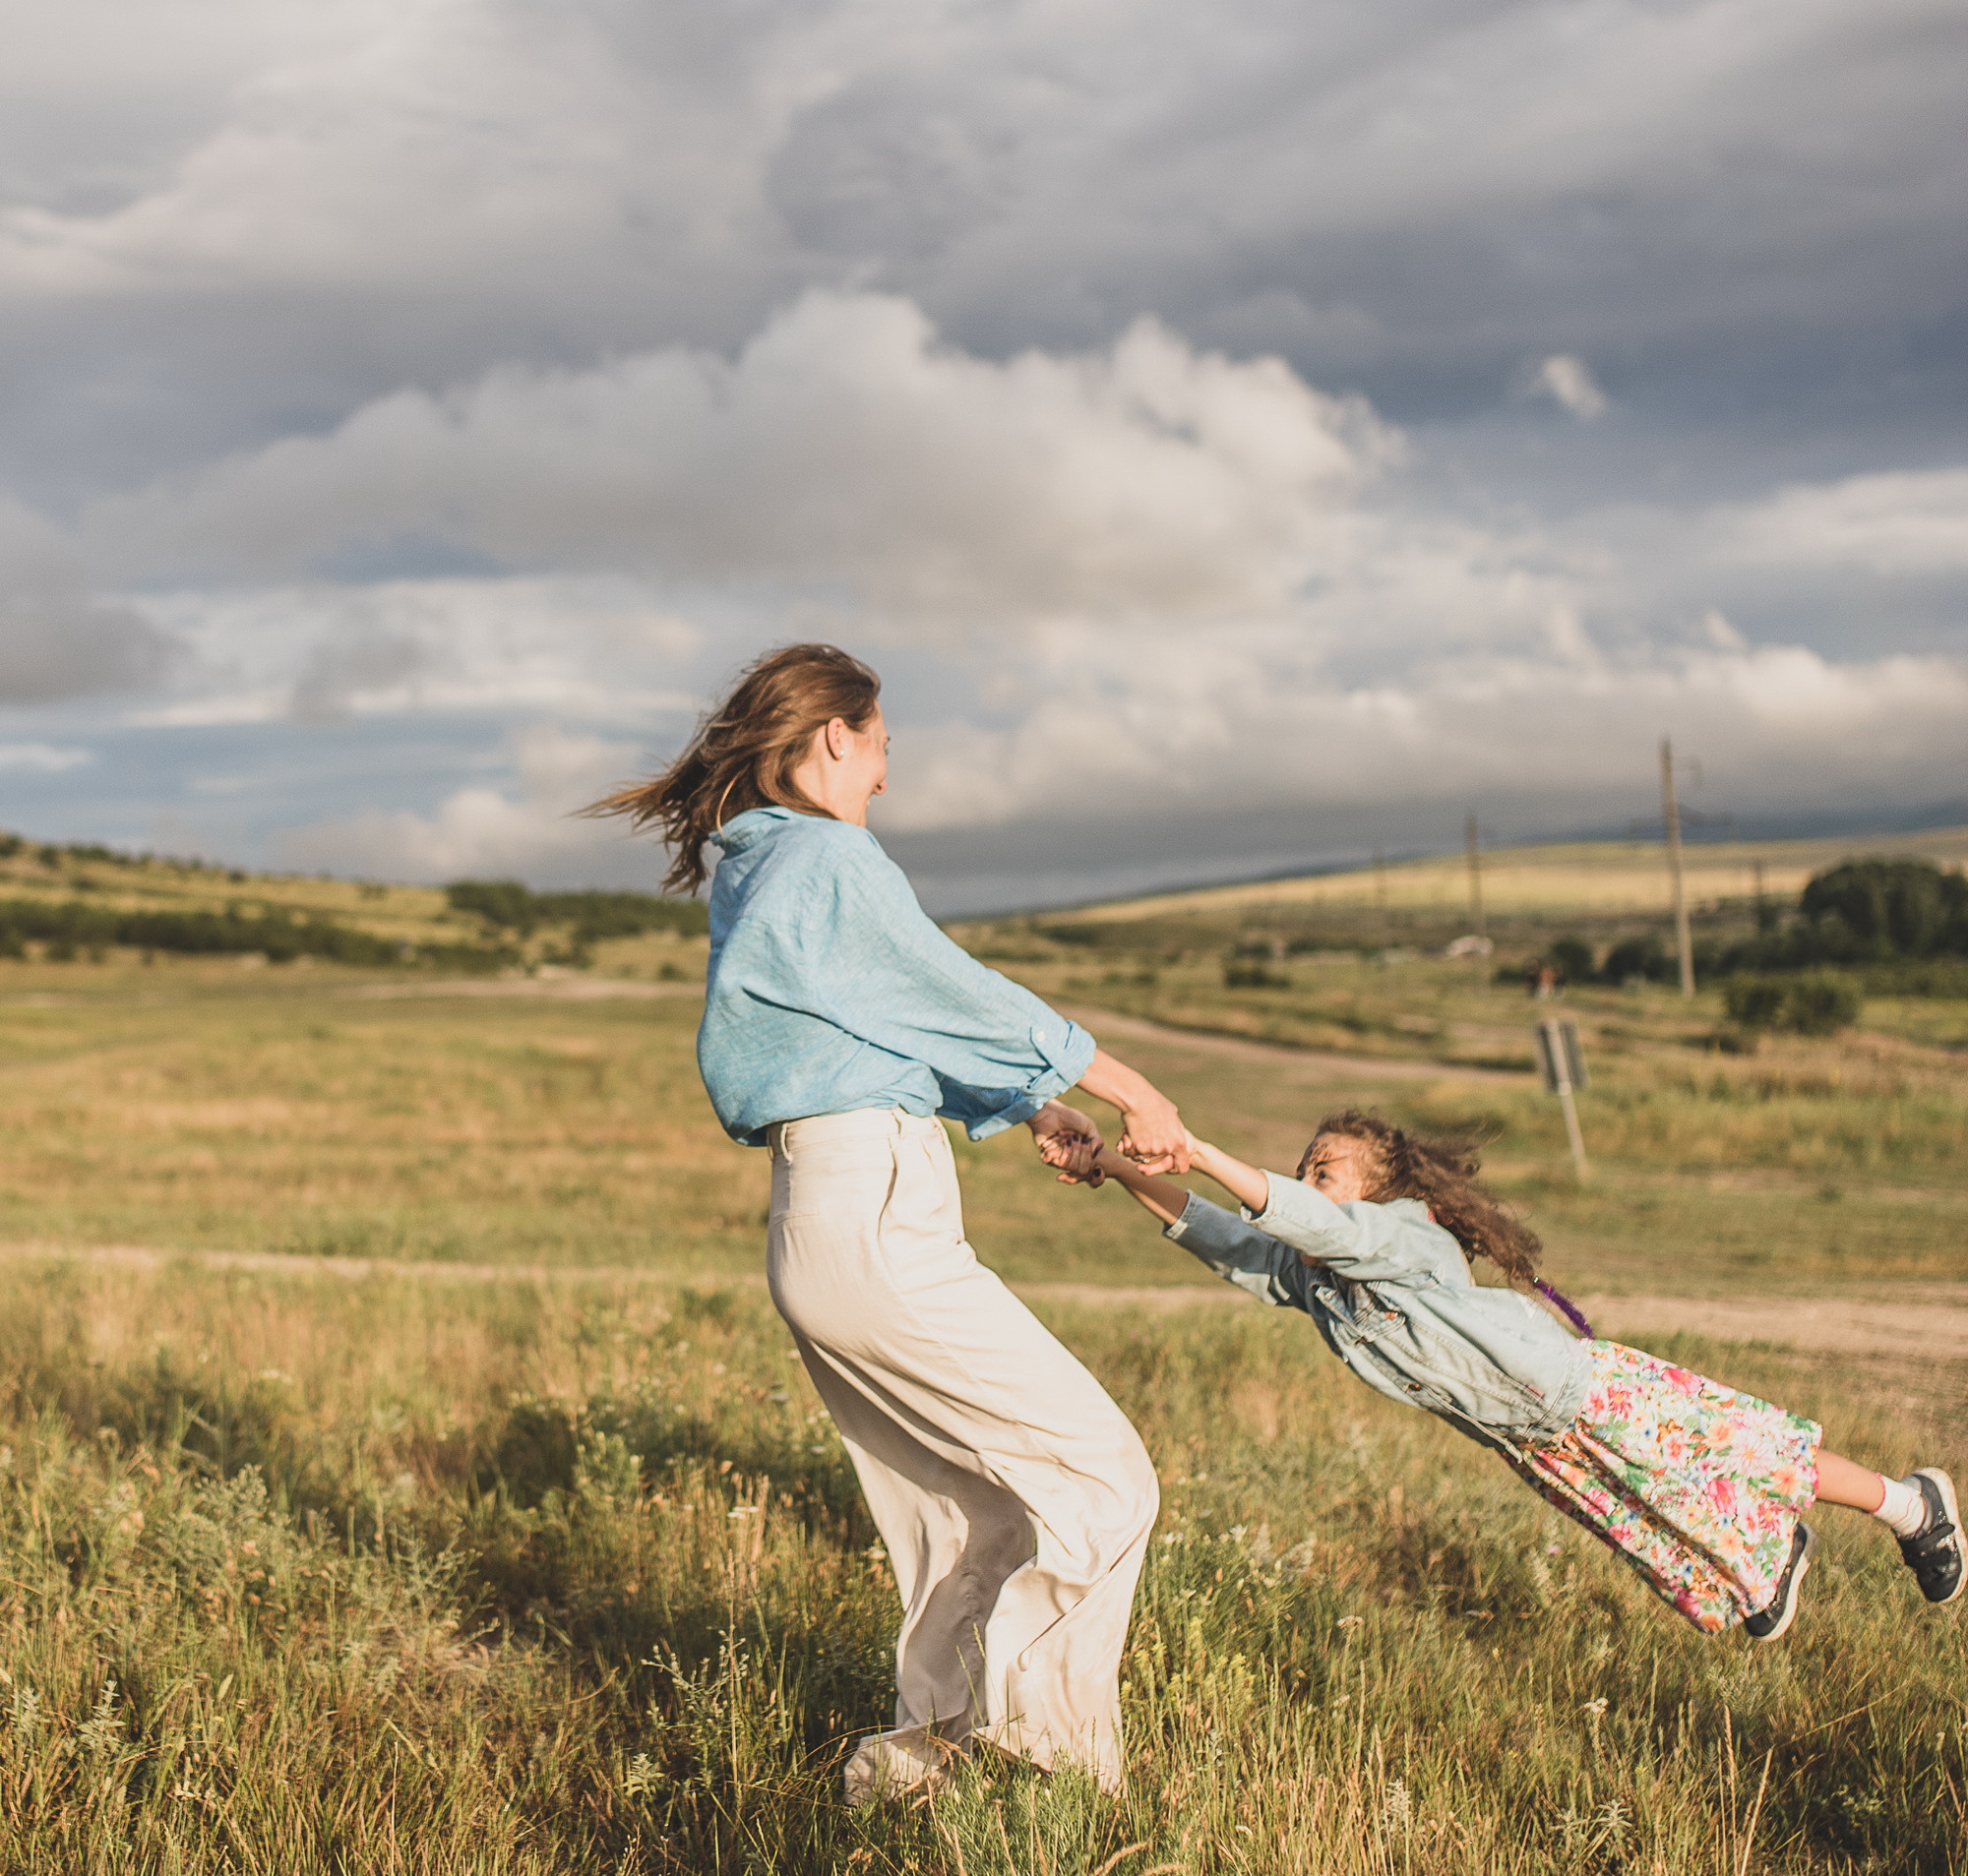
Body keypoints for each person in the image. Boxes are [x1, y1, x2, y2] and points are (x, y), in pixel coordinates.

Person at [590, 643, 1188, 1801]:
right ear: (832, 738)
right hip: (870, 1209)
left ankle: (918, 1773)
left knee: (973, 1515)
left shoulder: (761, 867)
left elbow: (864, 1023)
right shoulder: (826, 856)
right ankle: (1054, 1779)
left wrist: (1029, 1104)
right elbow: (941, 985)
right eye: (880, 750)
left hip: (827, 1212)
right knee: (1106, 1480)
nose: (883, 779)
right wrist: (1124, 1086)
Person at [1037, 1104, 1963, 1640]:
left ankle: (1910, 1503)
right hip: (1533, 1437)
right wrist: (1119, 1166)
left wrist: (1195, 1146)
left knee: (1747, 1455)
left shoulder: (1399, 1236)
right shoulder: (1319, 1285)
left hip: (1576, 1386)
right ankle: (1769, 1565)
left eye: (1327, 1169)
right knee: (1652, 1522)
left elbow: (1316, 1225)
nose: (1309, 1180)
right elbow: (1224, 1236)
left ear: (1381, 1188)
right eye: (1304, 1168)